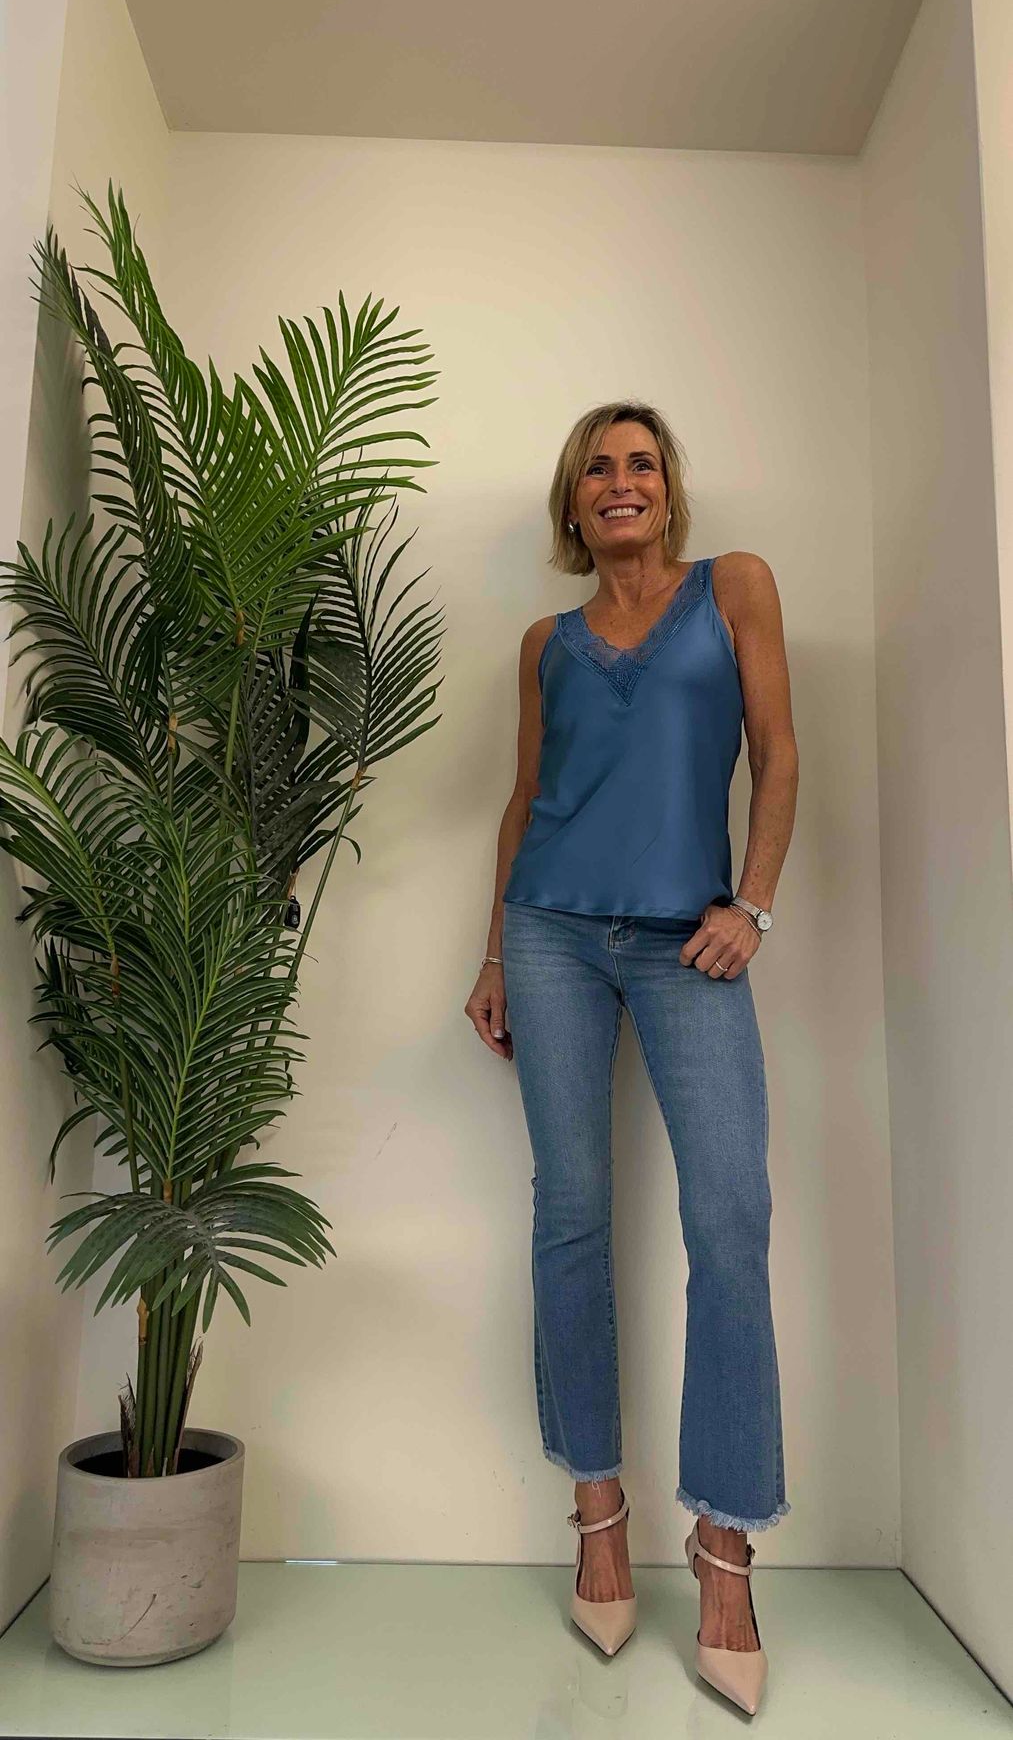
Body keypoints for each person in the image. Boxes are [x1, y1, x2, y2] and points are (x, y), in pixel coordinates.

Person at [464, 401, 799, 1716]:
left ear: (668, 490)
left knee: (730, 1217)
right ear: (573, 502)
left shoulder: (737, 589)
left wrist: (751, 906)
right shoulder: (543, 645)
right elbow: (524, 801)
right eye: (597, 468)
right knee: (570, 1215)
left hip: (687, 943)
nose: (620, 482)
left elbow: (777, 757)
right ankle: (597, 1514)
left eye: (641, 464)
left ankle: (724, 1547)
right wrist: (495, 952)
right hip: (549, 933)